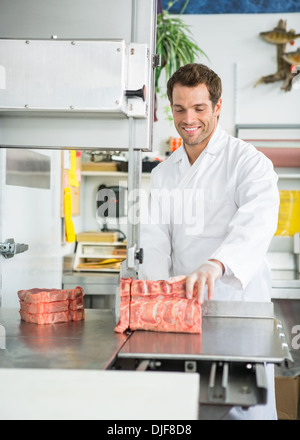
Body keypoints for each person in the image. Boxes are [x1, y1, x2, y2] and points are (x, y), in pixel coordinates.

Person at [139, 63, 280, 420]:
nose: (189, 119)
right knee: (187, 410)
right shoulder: (163, 173)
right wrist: (153, 299)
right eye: (180, 108)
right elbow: (155, 242)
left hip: (236, 308)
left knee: (242, 408)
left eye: (199, 108)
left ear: (217, 107)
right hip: (182, 312)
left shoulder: (249, 163)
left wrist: (216, 264)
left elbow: (257, 223)